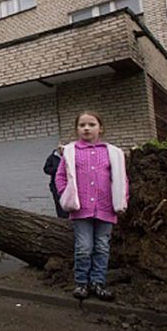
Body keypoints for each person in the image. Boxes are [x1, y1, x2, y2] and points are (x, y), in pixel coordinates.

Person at [55, 111, 128, 302]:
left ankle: (98, 282)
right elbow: (60, 176)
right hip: (81, 209)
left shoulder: (111, 152)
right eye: (82, 125)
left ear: (100, 128)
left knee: (102, 246)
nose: (86, 128)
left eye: (91, 124)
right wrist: (65, 194)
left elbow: (122, 179)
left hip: (106, 208)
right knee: (84, 247)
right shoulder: (71, 152)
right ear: (77, 129)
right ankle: (81, 283)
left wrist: (122, 199)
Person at [43, 145, 68, 219]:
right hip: (56, 185)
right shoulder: (52, 157)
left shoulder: (69, 156)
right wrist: (57, 169)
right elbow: (46, 169)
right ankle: (62, 220)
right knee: (59, 203)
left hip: (68, 185)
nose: (62, 150)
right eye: (60, 149)